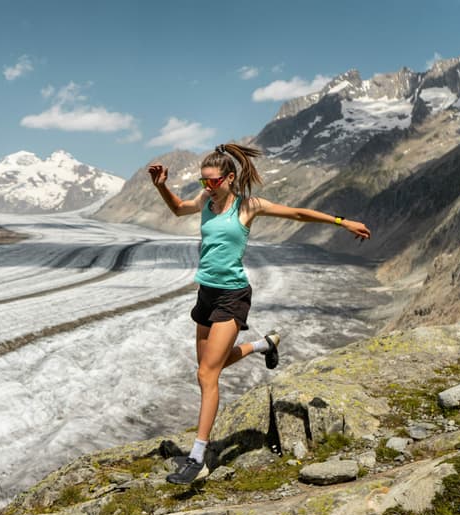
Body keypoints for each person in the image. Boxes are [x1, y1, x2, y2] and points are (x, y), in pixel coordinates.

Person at [149, 143, 371, 485]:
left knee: (208, 375)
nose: (206, 187)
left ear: (229, 177)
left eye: (212, 181)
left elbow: (297, 214)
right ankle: (263, 345)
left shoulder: (247, 206)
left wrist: (342, 221)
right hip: (206, 294)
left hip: (232, 297)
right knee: (210, 366)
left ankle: (199, 457)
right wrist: (162, 186)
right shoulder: (205, 202)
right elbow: (179, 209)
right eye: (202, 181)